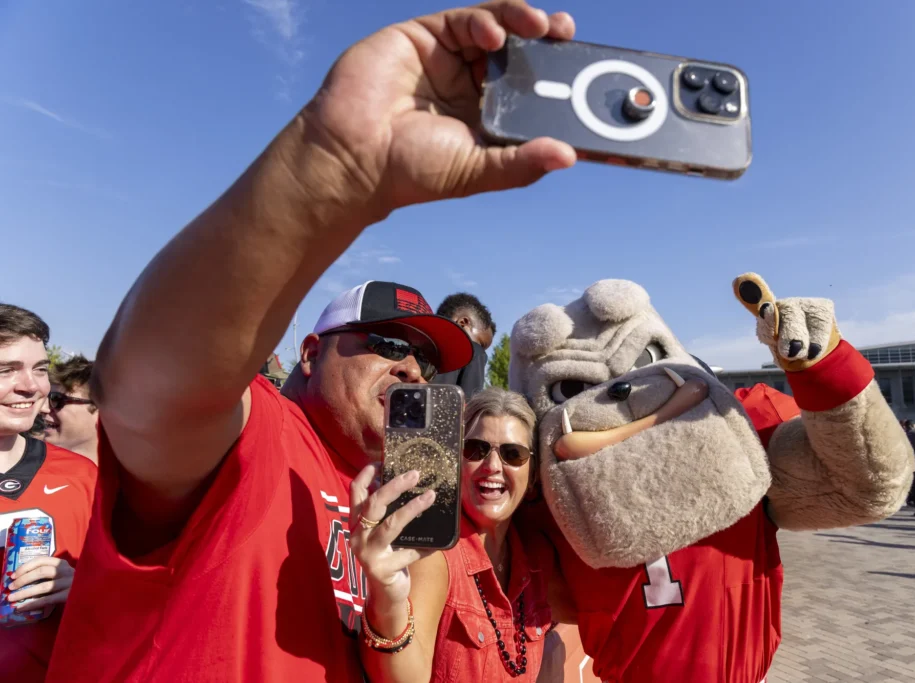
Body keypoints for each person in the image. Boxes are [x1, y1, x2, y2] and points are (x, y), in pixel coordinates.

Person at [47, 3, 578, 681]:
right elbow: (148, 383)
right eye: (387, 343)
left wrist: (392, 608)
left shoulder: (399, 497)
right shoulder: (258, 432)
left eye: (428, 360)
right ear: (310, 352)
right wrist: (333, 168)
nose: (413, 368)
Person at [352, 388, 567, 681]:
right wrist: (387, 601)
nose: (492, 467)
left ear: (532, 477)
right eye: (474, 449)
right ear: (455, 463)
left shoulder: (537, 557)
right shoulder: (435, 557)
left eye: (513, 454)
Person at [0, 304, 97, 682]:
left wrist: (86, 584)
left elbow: (139, 599)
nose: (33, 386)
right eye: (7, 369)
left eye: (39, 368)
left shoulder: (81, 477)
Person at [433, 293, 497, 399]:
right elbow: (470, 407)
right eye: (480, 344)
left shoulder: (412, 352)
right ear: (462, 323)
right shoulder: (473, 351)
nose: (482, 352)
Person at [41, 355, 100, 464]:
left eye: (56, 399)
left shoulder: (133, 477)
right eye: (45, 397)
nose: (43, 408)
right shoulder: (27, 469)